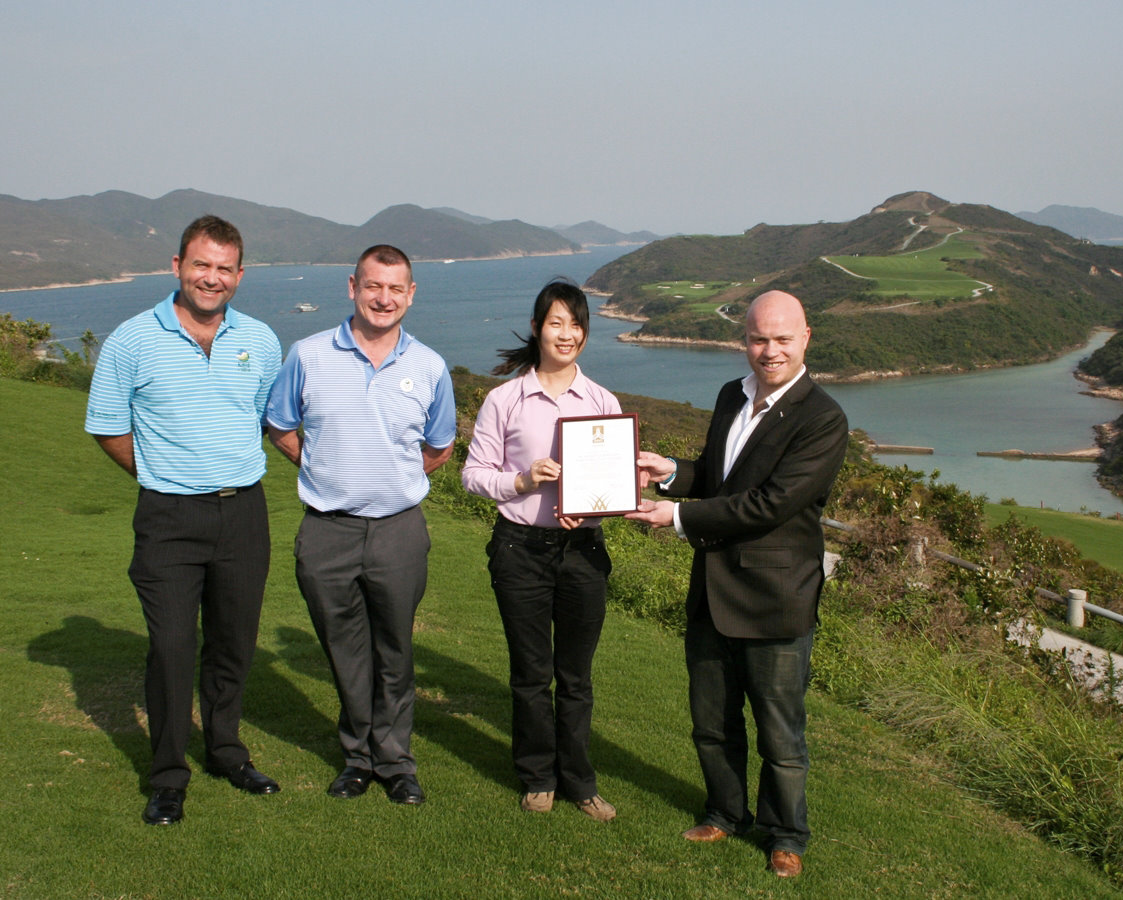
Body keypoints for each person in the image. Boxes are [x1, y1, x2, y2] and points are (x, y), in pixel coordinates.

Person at [626, 290, 848, 878]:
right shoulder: (732, 395)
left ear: (805, 338)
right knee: (712, 721)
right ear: (742, 339)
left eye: (781, 339)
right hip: (713, 591)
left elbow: (767, 505)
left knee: (781, 733)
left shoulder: (823, 418)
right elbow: (721, 478)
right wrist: (672, 472)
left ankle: (787, 836)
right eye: (757, 338)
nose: (768, 350)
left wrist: (673, 516)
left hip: (776, 600)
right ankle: (725, 813)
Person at [85, 215, 284, 826]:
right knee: (172, 646)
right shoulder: (131, 340)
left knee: (232, 643)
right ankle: (169, 775)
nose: (212, 278)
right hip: (168, 515)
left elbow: (267, 419)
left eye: (225, 268)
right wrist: (161, 476)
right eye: (201, 264)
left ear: (239, 276)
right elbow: (109, 427)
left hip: (243, 512)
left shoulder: (262, 340)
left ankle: (226, 751)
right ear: (177, 266)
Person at [265, 245, 455, 806]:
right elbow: (280, 427)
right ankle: (357, 759)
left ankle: (396, 764)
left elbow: (439, 448)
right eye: (374, 286)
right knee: (344, 651)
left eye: (396, 289)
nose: (384, 298)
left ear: (411, 294)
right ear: (353, 286)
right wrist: (322, 470)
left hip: (398, 530)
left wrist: (391, 480)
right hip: (327, 530)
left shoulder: (430, 366)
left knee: (395, 650)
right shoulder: (308, 353)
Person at [461, 279, 621, 822]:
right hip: (519, 549)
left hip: (582, 550)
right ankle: (537, 776)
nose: (568, 333)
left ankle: (579, 780)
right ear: (536, 328)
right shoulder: (505, 399)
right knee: (531, 673)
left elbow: (612, 485)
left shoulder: (602, 401)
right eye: (557, 322)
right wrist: (523, 480)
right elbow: (474, 476)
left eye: (577, 324)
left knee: (576, 676)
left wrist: (591, 508)